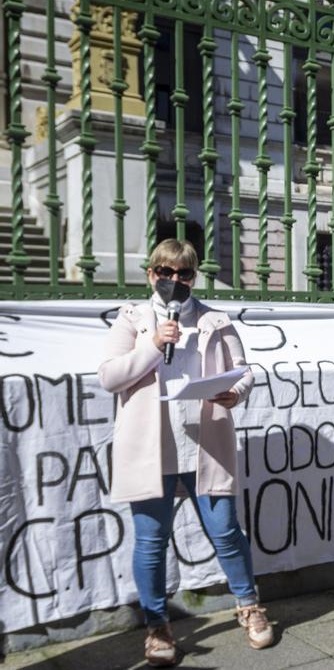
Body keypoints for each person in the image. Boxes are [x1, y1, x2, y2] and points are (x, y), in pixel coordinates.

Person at [97, 239, 273, 667]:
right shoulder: (132, 319)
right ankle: (157, 625)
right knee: (152, 543)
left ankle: (248, 605)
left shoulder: (214, 318)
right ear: (151, 274)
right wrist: (155, 344)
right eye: (165, 272)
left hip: (203, 444)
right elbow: (110, 377)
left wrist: (235, 392)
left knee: (226, 532)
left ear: (194, 277)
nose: (174, 281)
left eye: (184, 274)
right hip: (150, 448)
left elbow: (244, 370)